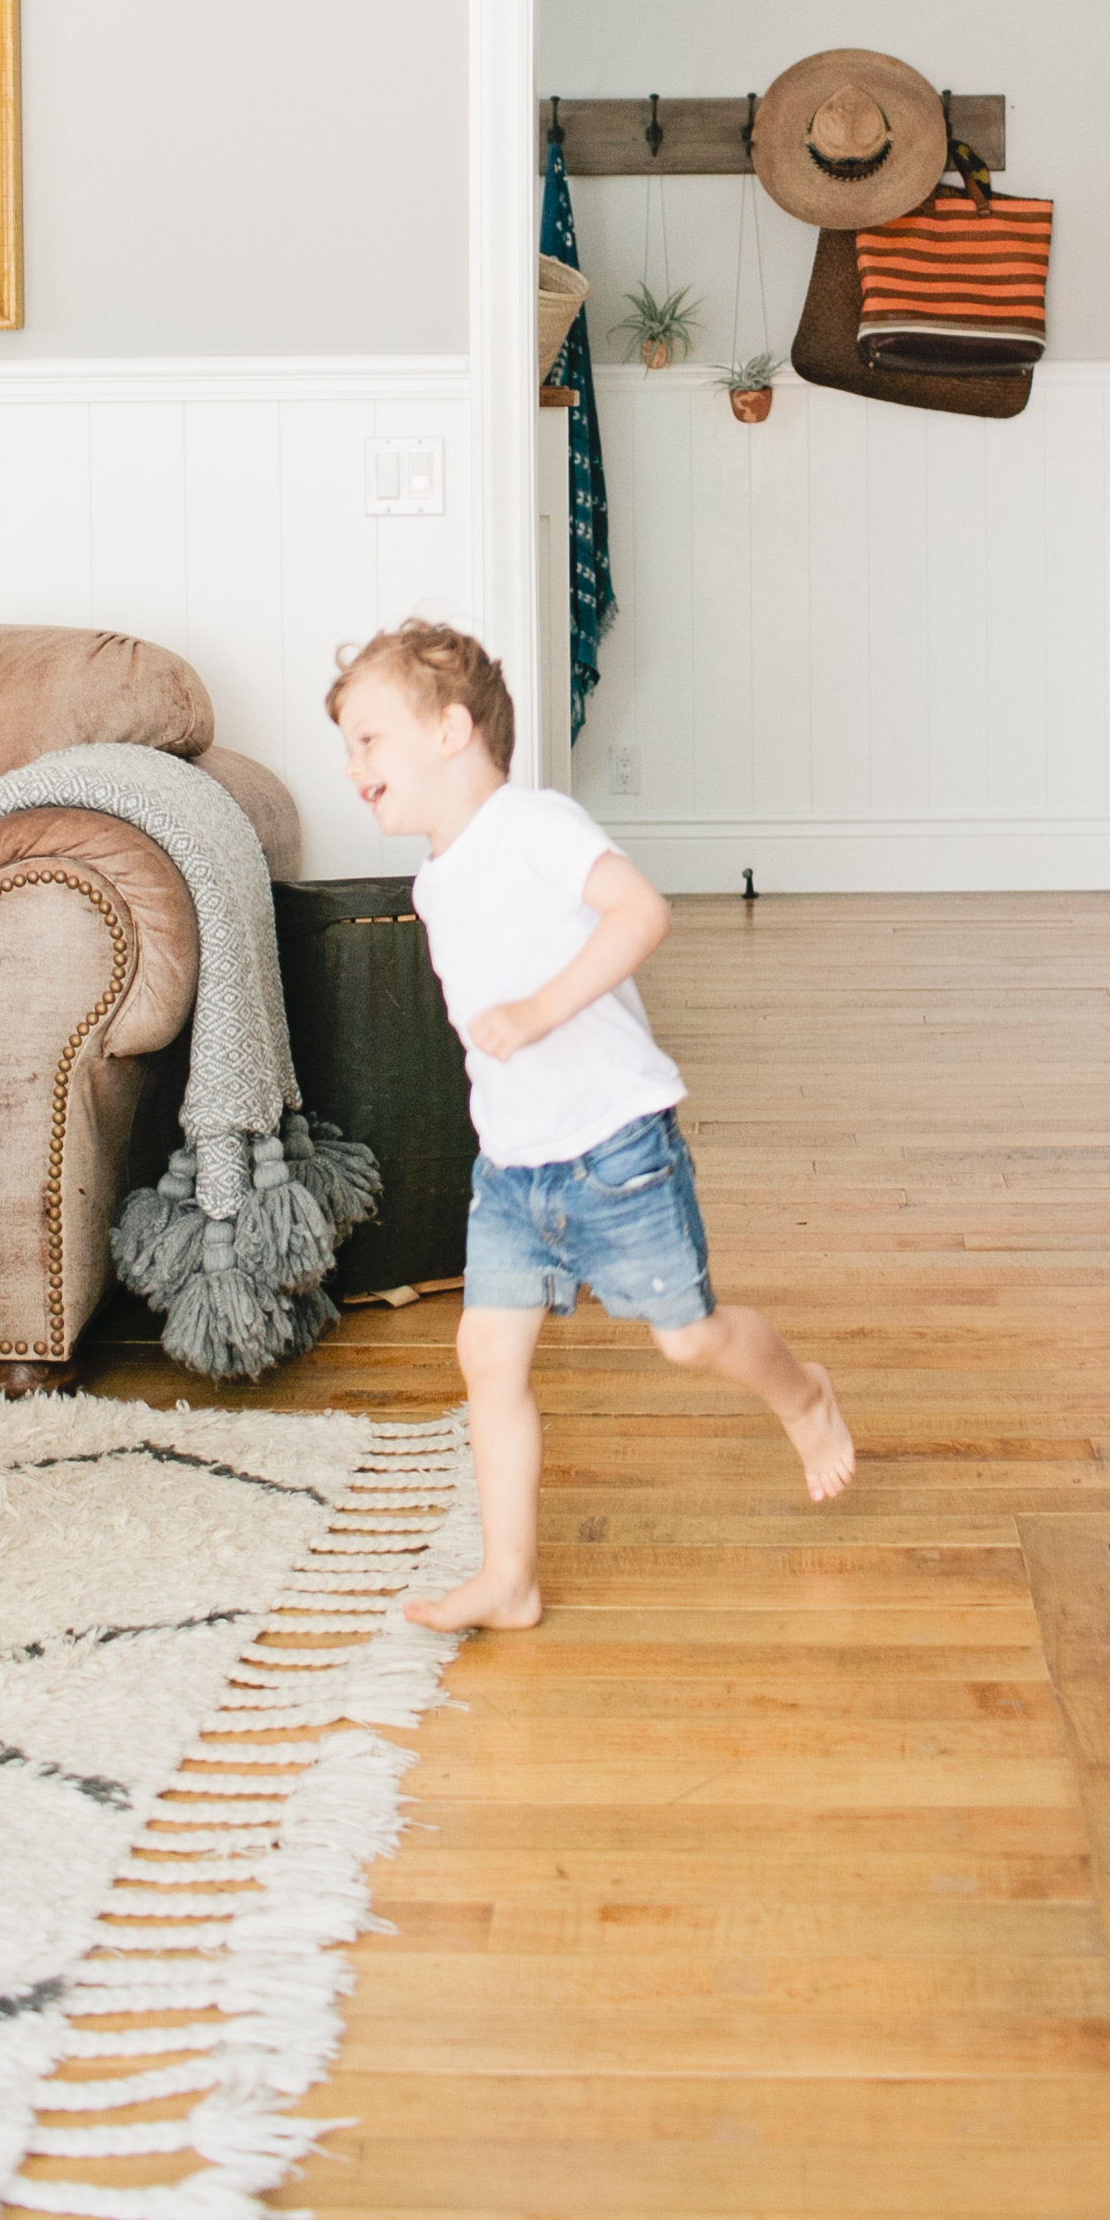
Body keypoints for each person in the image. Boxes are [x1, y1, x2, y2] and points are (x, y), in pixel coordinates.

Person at [327, 618, 855, 1632]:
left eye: (368, 740)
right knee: (488, 1360)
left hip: (616, 1147)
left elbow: (642, 913)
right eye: (347, 747)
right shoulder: (435, 881)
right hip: (513, 1171)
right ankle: (510, 1577)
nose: (352, 767)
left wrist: (539, 1012)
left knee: (690, 1341)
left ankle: (803, 1395)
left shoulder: (533, 824)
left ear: (450, 731)